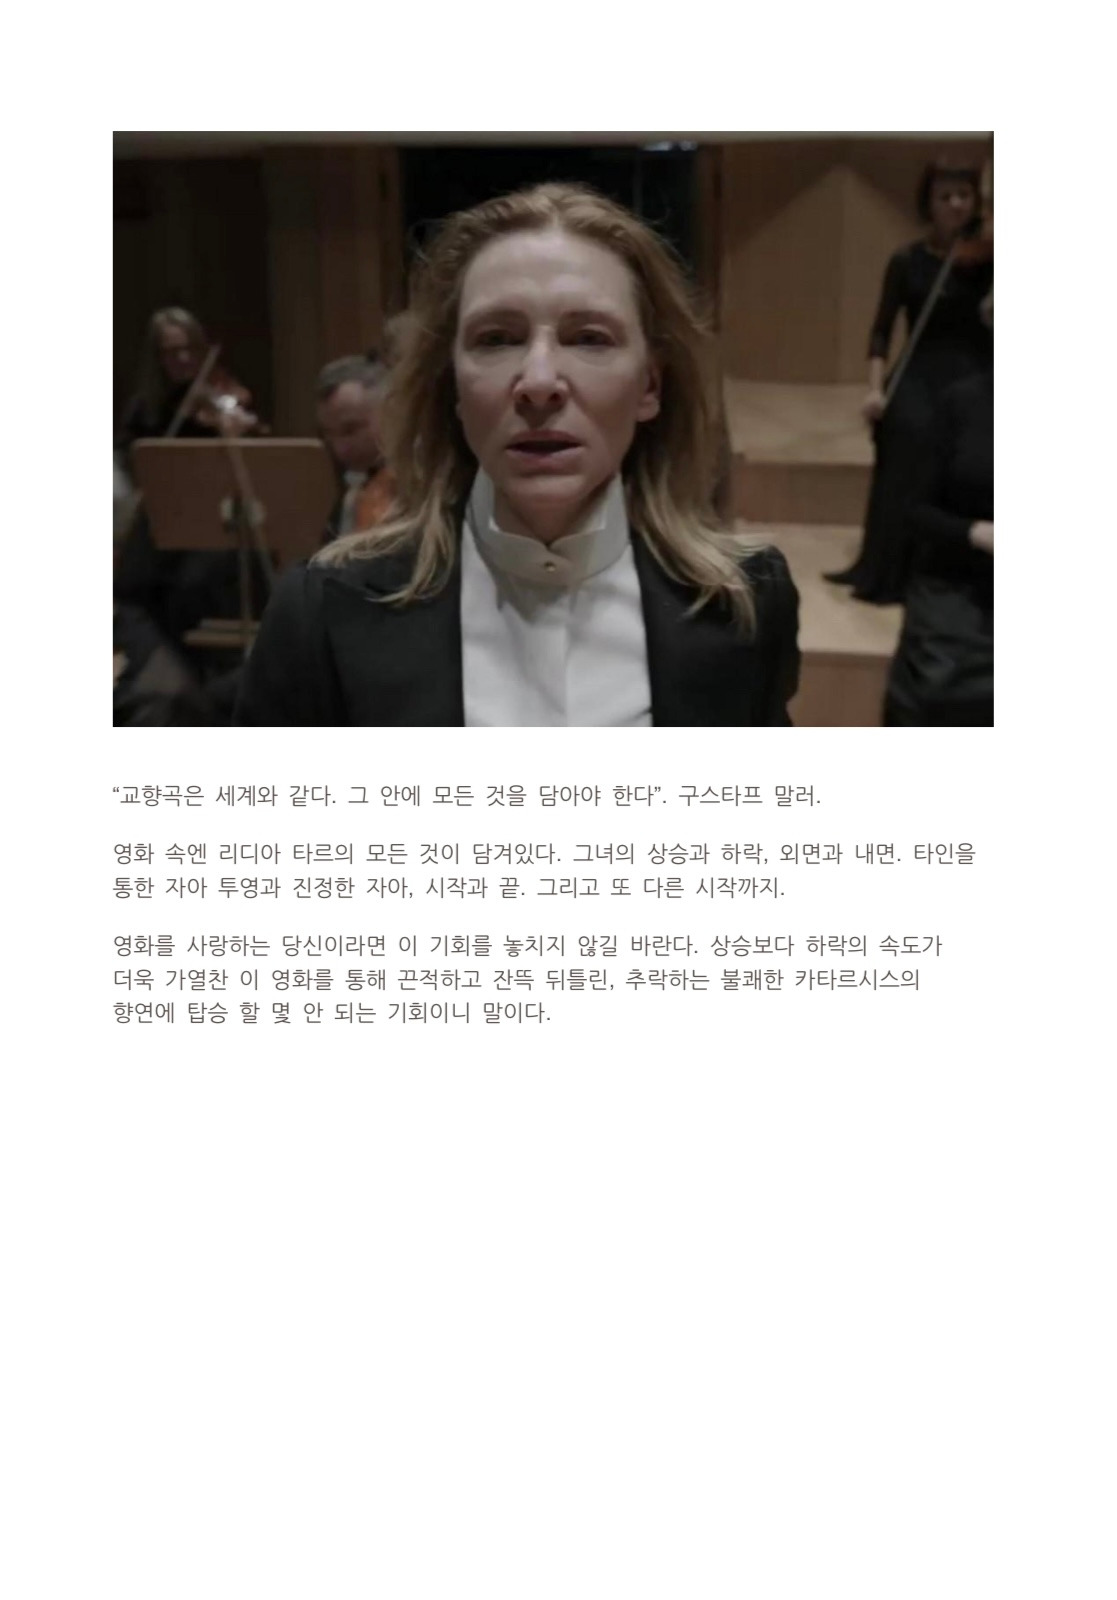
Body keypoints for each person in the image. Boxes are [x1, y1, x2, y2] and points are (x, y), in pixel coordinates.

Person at [234, 183, 799, 728]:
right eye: (497, 339)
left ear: (650, 385)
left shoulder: (748, 603)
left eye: (589, 338)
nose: (539, 382)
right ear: (454, 388)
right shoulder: (321, 614)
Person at [827, 159, 993, 604]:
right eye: (945, 196)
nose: (956, 204)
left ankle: (936, 570)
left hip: (973, 376)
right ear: (928, 204)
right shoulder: (906, 261)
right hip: (917, 372)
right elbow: (881, 330)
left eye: (964, 196)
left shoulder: (989, 259)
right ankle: (882, 569)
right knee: (901, 445)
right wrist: (875, 388)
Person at [883, 291, 993, 725]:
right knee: (932, 700)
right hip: (956, 592)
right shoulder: (960, 403)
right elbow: (913, 509)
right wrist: (974, 533)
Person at [316, 355, 396, 541]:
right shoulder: (344, 489)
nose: (340, 449)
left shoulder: (422, 488)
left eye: (351, 430)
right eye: (329, 434)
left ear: (391, 413)